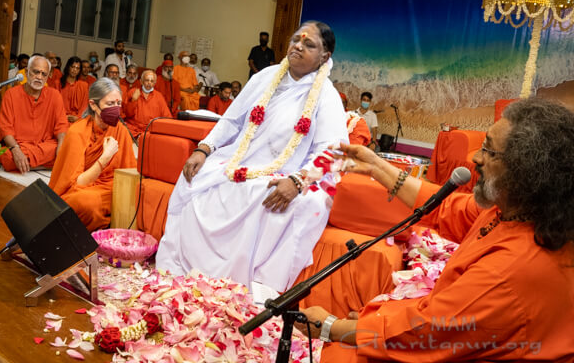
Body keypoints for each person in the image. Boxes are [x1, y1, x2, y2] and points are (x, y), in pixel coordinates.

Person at [296, 98, 574, 362]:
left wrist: (331, 327)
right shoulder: (517, 212)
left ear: (525, 172)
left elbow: (427, 332)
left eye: (488, 150)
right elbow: (445, 208)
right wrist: (377, 167)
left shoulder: (513, 269)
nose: (476, 157)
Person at [156, 21, 348, 292]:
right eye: (296, 40)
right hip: (240, 161)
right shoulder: (264, 77)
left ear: (325, 56)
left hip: (287, 173)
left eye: (309, 44)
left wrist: (297, 181)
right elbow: (231, 121)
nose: (298, 46)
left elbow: (333, 152)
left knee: (306, 203)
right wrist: (203, 149)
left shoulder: (326, 95)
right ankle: (180, 268)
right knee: (194, 176)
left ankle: (259, 288)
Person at [49, 78, 137, 231]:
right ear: (93, 105)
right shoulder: (78, 132)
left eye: (118, 104)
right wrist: (105, 158)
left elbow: (129, 175)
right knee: (84, 203)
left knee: (139, 196)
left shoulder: (121, 130)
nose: (116, 109)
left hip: (112, 189)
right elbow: (78, 183)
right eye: (110, 104)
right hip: (84, 190)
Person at [0, 55, 68, 173]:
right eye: (36, 72)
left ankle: (27, 164)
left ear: (48, 76)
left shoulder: (54, 95)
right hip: (20, 145)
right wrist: (16, 149)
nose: (39, 77)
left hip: (45, 145)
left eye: (44, 74)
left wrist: (61, 147)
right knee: (7, 156)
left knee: (65, 149)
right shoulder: (11, 94)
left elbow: (62, 125)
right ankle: (45, 164)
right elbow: (5, 128)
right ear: (26, 71)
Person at [123, 70, 172, 138]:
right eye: (147, 80)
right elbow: (127, 114)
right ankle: (140, 136)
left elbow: (167, 116)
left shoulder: (159, 96)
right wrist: (134, 100)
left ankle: (143, 137)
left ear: (155, 83)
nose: (149, 83)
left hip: (151, 129)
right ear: (141, 81)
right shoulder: (132, 92)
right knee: (124, 127)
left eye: (152, 81)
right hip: (135, 128)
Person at [58, 56, 89, 124]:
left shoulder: (83, 85)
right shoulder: (57, 83)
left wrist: (78, 118)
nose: (74, 70)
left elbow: (85, 105)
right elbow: (54, 105)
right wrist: (63, 117)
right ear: (68, 67)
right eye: (72, 67)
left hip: (78, 120)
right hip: (60, 119)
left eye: (77, 68)